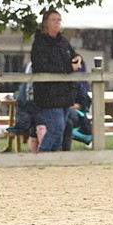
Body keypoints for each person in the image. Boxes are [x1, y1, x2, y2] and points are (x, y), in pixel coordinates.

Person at [30, 8, 82, 152]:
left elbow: (72, 55)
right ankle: (43, 154)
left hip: (65, 93)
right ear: (46, 23)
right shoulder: (40, 43)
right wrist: (69, 67)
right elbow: (44, 66)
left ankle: (55, 160)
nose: (57, 23)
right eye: (53, 20)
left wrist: (78, 57)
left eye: (59, 20)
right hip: (48, 94)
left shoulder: (63, 41)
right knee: (56, 128)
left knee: (61, 130)